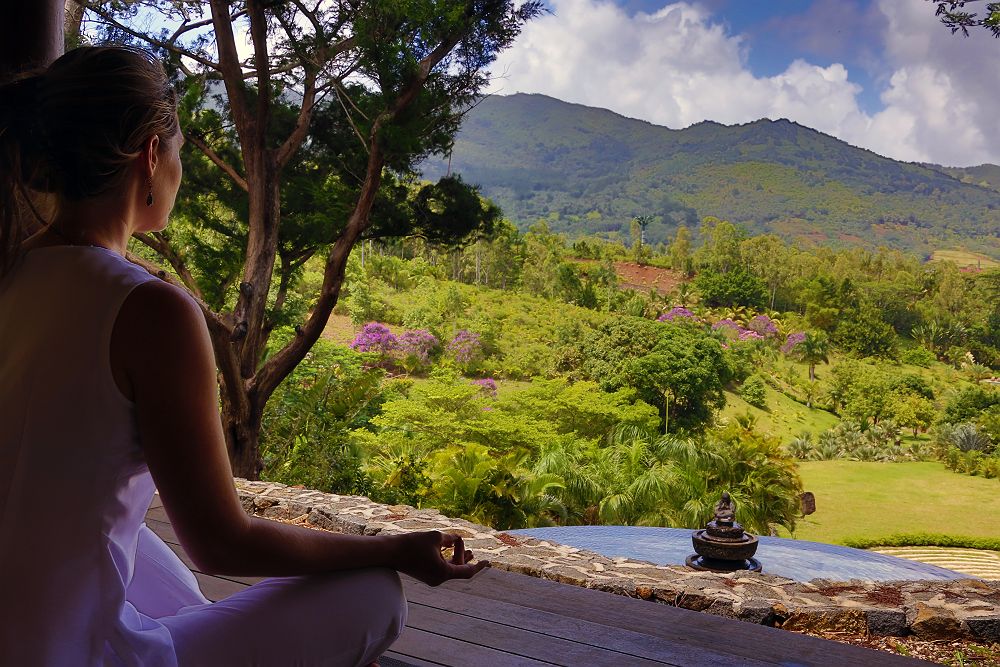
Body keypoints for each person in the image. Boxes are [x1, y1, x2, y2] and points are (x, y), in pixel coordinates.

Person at [0, 45, 488, 667]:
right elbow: (221, 543)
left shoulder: (11, 271)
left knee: (136, 543)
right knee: (373, 595)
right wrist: (390, 549)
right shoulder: (148, 310)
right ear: (151, 154)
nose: (181, 166)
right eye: (179, 149)